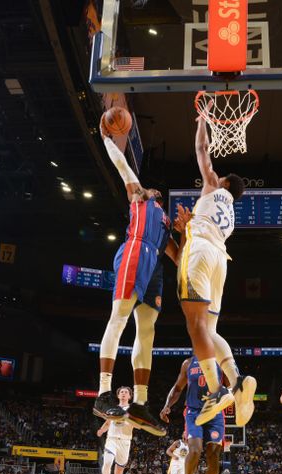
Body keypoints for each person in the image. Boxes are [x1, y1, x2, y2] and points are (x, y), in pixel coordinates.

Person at [91, 123, 179, 437]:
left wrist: (190, 230)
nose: (156, 191)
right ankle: (104, 392)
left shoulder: (167, 225)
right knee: (119, 317)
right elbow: (123, 166)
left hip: (154, 263)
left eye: (159, 191)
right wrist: (107, 139)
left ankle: (140, 403)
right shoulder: (140, 197)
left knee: (148, 330)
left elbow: (180, 259)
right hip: (134, 251)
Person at [176, 112, 256, 428]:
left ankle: (216, 389)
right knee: (209, 331)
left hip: (201, 252)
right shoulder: (232, 213)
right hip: (222, 260)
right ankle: (236, 381)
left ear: (224, 183)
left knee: (194, 326)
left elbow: (202, 152)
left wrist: (201, 122)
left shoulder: (214, 187)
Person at [160, 356, 227, 474]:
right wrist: (167, 405)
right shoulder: (188, 363)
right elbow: (177, 388)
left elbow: (231, 388)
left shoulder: (221, 362)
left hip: (215, 412)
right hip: (194, 412)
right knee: (195, 450)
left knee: (213, 456)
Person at [96, 386, 135, 474]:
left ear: (130, 396)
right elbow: (108, 423)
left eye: (126, 392)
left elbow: (138, 426)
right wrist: (102, 430)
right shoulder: (112, 409)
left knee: (118, 473)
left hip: (125, 441)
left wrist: (126, 417)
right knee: (107, 462)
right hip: (112, 439)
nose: (123, 393)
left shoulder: (134, 410)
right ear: (118, 396)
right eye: (121, 392)